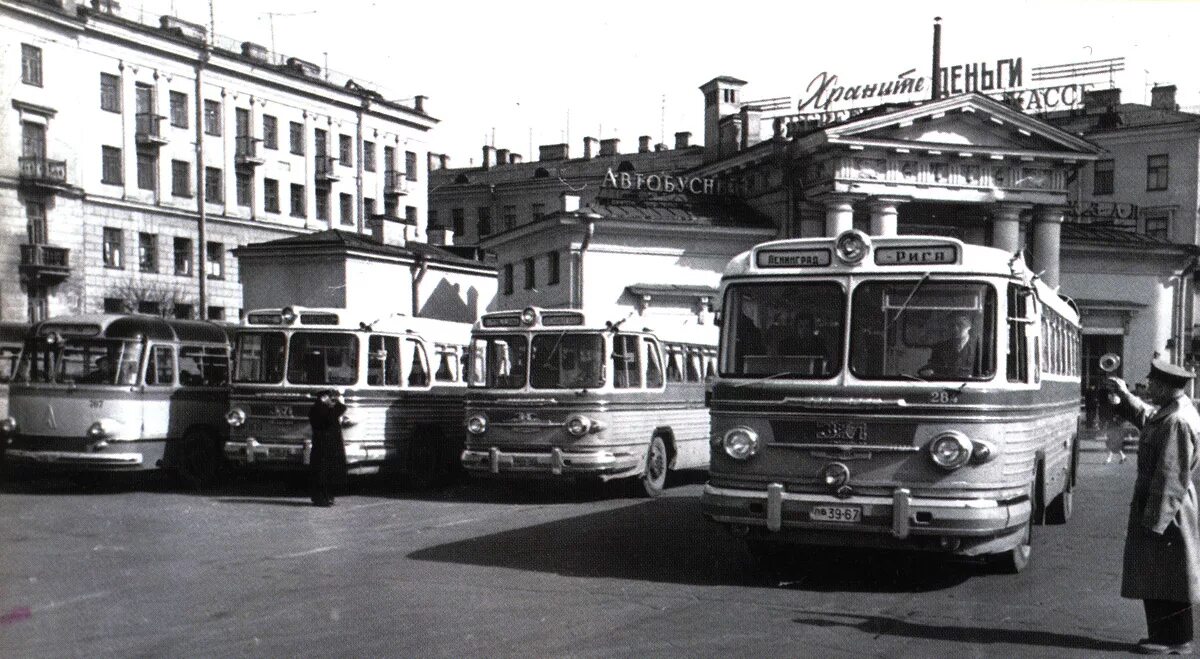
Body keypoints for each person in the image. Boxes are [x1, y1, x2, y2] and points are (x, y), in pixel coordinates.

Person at [1106, 359, 1200, 655]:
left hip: (1168, 505)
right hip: (1165, 502)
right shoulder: (1173, 412)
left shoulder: (1178, 421)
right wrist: (1124, 396)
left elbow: (1171, 475)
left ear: (1166, 387)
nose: (1148, 388)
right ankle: (1164, 635)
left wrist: (1157, 521)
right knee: (1161, 572)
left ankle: (1177, 639)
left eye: (1153, 385)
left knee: (1170, 573)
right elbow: (1148, 418)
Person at [307, 389, 348, 507]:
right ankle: (321, 498)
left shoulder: (322, 409)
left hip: (329, 447)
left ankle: (327, 497)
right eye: (328, 397)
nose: (330, 399)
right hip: (322, 447)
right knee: (322, 474)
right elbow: (337, 412)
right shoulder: (318, 410)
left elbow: (340, 409)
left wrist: (335, 403)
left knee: (328, 474)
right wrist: (336, 403)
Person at [921, 313, 979, 378]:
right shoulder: (940, 347)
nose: (955, 329)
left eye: (960, 325)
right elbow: (932, 366)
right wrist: (927, 371)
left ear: (969, 326)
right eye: (952, 325)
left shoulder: (977, 347)